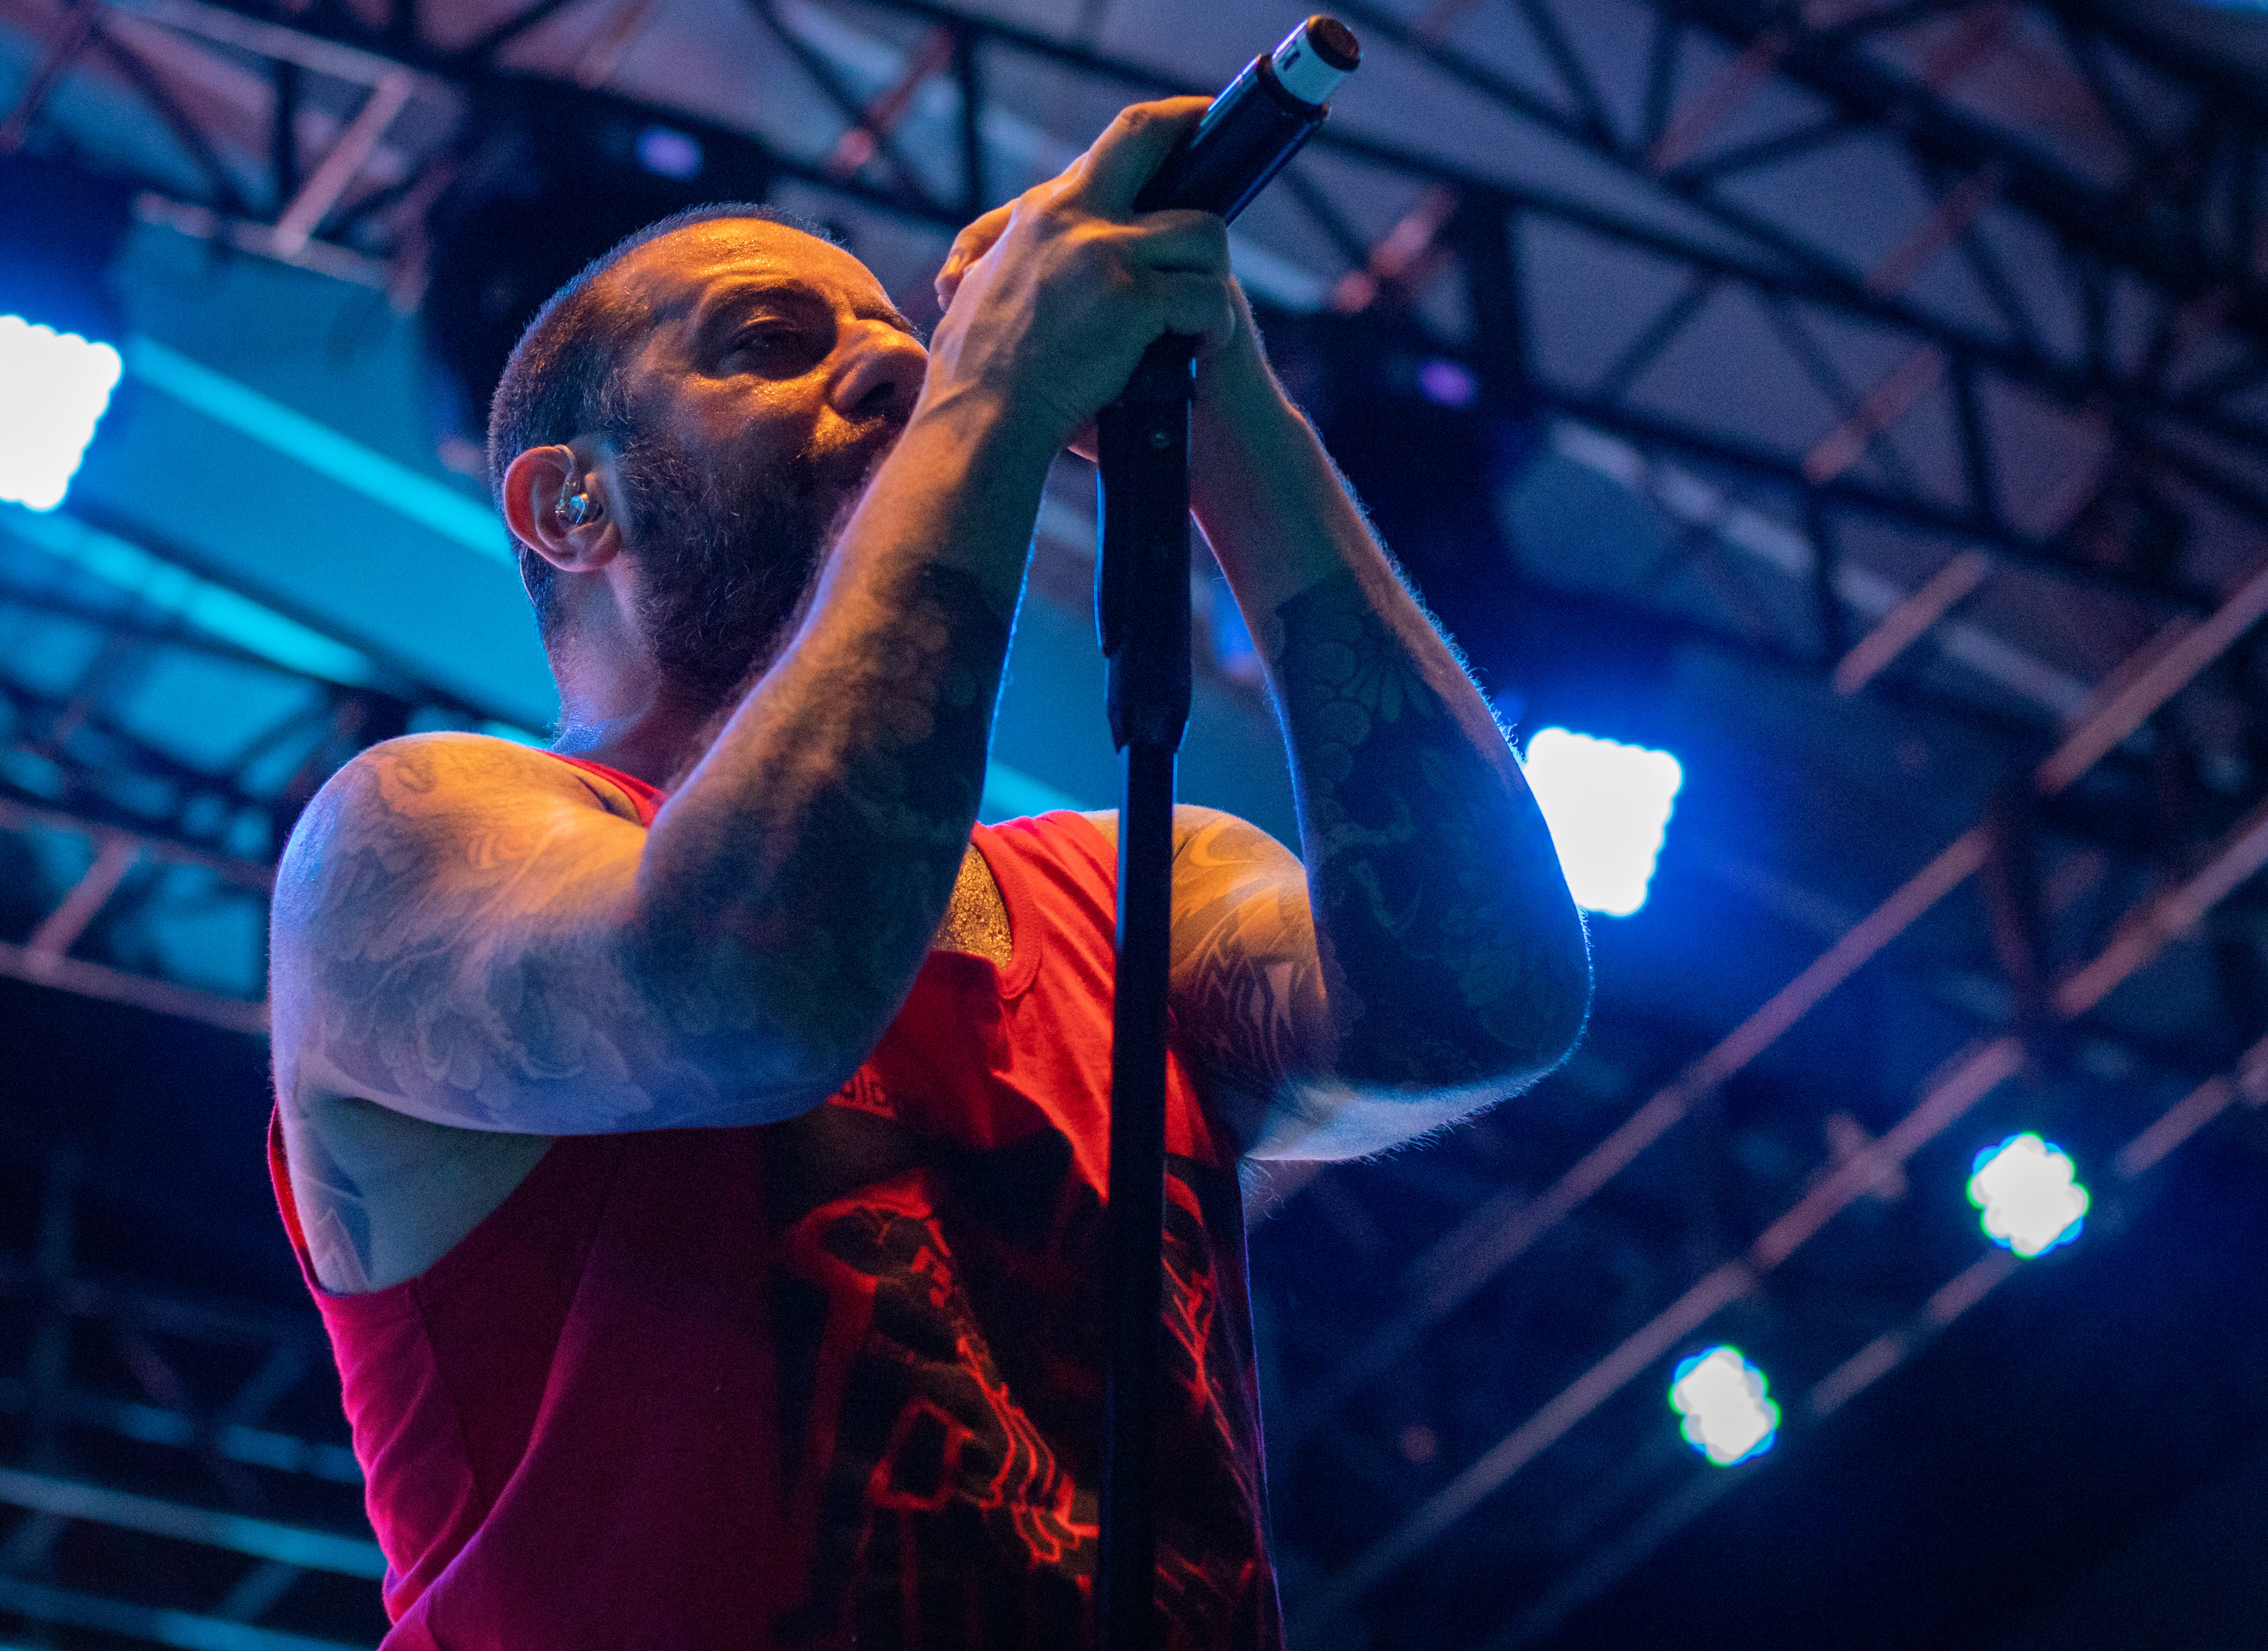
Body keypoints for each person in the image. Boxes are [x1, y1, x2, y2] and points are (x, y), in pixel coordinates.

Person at [266, 97, 1590, 1650]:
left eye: (901, 339)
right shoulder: (411, 836)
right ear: (574, 502)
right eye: (768, 338)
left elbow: (1483, 1001)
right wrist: (990, 396)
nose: (892, 363)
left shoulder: (1126, 897)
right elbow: (755, 986)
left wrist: (1234, 412)